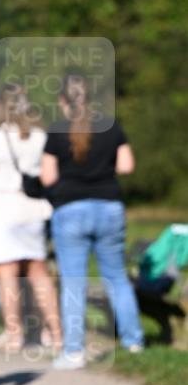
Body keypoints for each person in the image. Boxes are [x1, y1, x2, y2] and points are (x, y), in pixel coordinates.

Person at [41, 74, 144, 369]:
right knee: (116, 276)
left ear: (63, 101)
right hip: (110, 207)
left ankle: (73, 351)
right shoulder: (111, 126)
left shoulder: (57, 131)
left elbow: (48, 177)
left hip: (70, 209)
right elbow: (126, 165)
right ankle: (134, 341)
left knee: (74, 282)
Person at [0, 84, 62, 354]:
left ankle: (15, 334)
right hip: (34, 210)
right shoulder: (40, 136)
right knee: (39, 274)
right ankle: (55, 334)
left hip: (2, 212)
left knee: (7, 276)